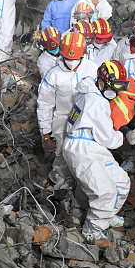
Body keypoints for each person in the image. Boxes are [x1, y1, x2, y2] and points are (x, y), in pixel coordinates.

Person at [63, 60, 132, 243]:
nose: (115, 92)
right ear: (101, 82)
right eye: (113, 86)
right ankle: (92, 230)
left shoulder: (88, 93)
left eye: (119, 87)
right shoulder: (95, 101)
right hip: (82, 150)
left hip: (91, 145)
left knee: (122, 183)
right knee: (105, 192)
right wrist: (124, 136)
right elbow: (108, 139)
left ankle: (106, 215)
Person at [37, 31, 99, 191]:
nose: (71, 62)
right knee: (62, 154)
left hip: (86, 120)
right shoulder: (53, 75)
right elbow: (45, 104)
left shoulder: (92, 69)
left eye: (75, 58)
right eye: (68, 58)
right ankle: (61, 184)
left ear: (84, 54)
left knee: (86, 155)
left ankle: (84, 186)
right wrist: (45, 130)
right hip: (62, 121)